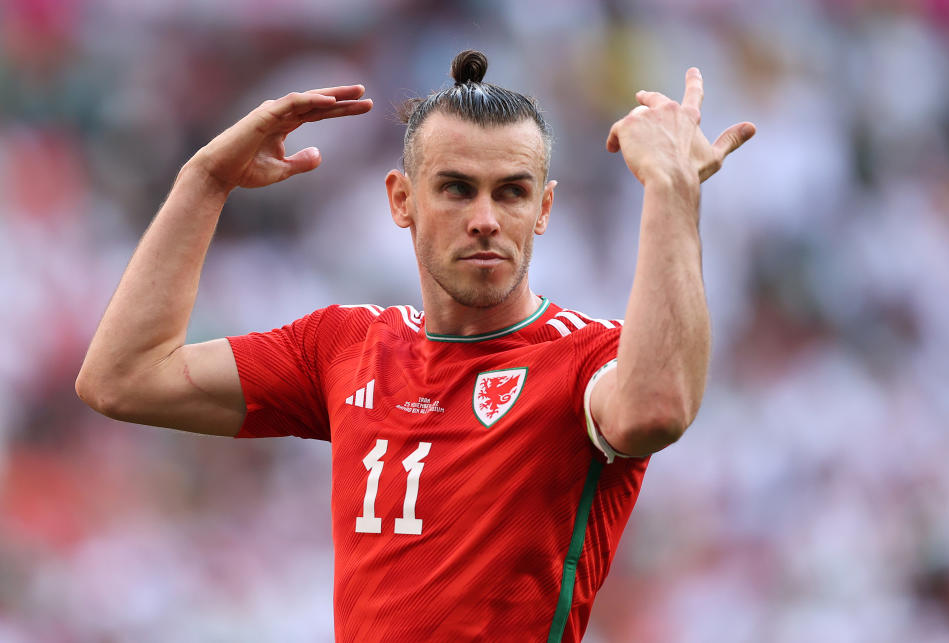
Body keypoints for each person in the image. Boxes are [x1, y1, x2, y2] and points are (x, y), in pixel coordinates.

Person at [76, 50, 755, 642]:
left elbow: (657, 408)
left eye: (512, 192)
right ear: (401, 199)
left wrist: (671, 189)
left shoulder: (584, 358)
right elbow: (123, 378)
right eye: (457, 188)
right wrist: (205, 180)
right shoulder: (343, 344)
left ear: (543, 210)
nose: (486, 219)